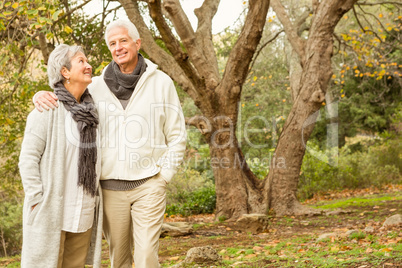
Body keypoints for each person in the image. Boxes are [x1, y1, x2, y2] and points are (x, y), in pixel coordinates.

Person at [33, 20, 187, 268]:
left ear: (138, 43)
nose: (118, 47)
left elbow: (177, 135)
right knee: (119, 260)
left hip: (149, 184)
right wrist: (40, 94)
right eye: (112, 43)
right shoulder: (94, 86)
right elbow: (65, 97)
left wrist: (164, 175)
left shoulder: (161, 83)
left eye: (123, 41)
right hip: (109, 189)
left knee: (147, 256)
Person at [19, 44, 103, 267]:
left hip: (82, 212)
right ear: (65, 72)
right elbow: (28, 159)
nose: (88, 65)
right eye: (81, 61)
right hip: (52, 214)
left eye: (87, 61)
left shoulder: (92, 113)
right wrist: (37, 199)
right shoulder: (46, 111)